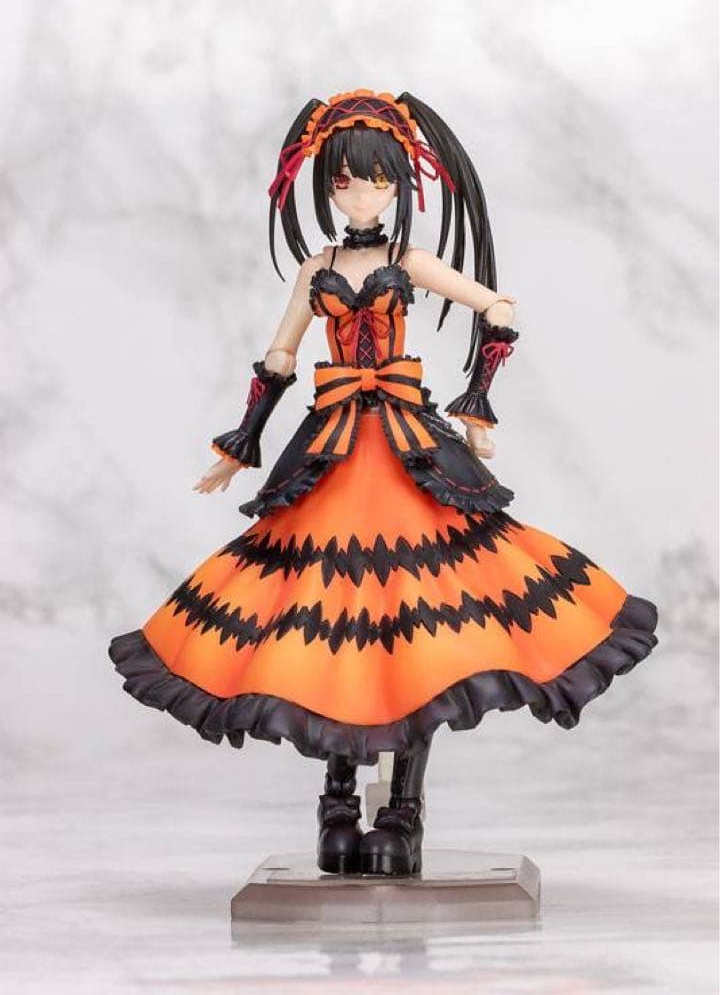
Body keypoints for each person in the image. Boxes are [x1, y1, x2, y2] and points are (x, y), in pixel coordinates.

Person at [109, 89, 658, 878]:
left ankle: (404, 808)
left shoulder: (411, 263)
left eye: (376, 181)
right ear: (325, 186)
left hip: (406, 449)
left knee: (417, 621)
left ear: (400, 185)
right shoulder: (317, 270)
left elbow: (498, 307)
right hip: (333, 449)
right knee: (325, 616)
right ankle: (337, 803)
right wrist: (243, 442)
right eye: (344, 182)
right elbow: (280, 357)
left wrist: (478, 402)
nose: (361, 195)